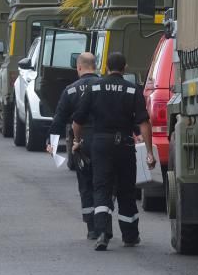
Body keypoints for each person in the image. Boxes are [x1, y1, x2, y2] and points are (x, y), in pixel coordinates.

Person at [72, 52, 155, 251]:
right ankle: (130, 236)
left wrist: (76, 141)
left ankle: (102, 233)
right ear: (124, 67)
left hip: (100, 144)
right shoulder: (132, 89)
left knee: (101, 188)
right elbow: (144, 122)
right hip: (124, 144)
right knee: (126, 190)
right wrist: (149, 152)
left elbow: (77, 121)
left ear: (106, 67)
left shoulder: (94, 87)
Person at [46, 52, 99, 239]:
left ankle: (92, 228)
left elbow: (59, 119)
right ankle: (104, 224)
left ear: (78, 67)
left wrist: (51, 143)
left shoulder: (70, 91)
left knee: (85, 185)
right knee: (104, 185)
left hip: (81, 143)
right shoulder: (104, 87)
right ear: (96, 65)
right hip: (104, 141)